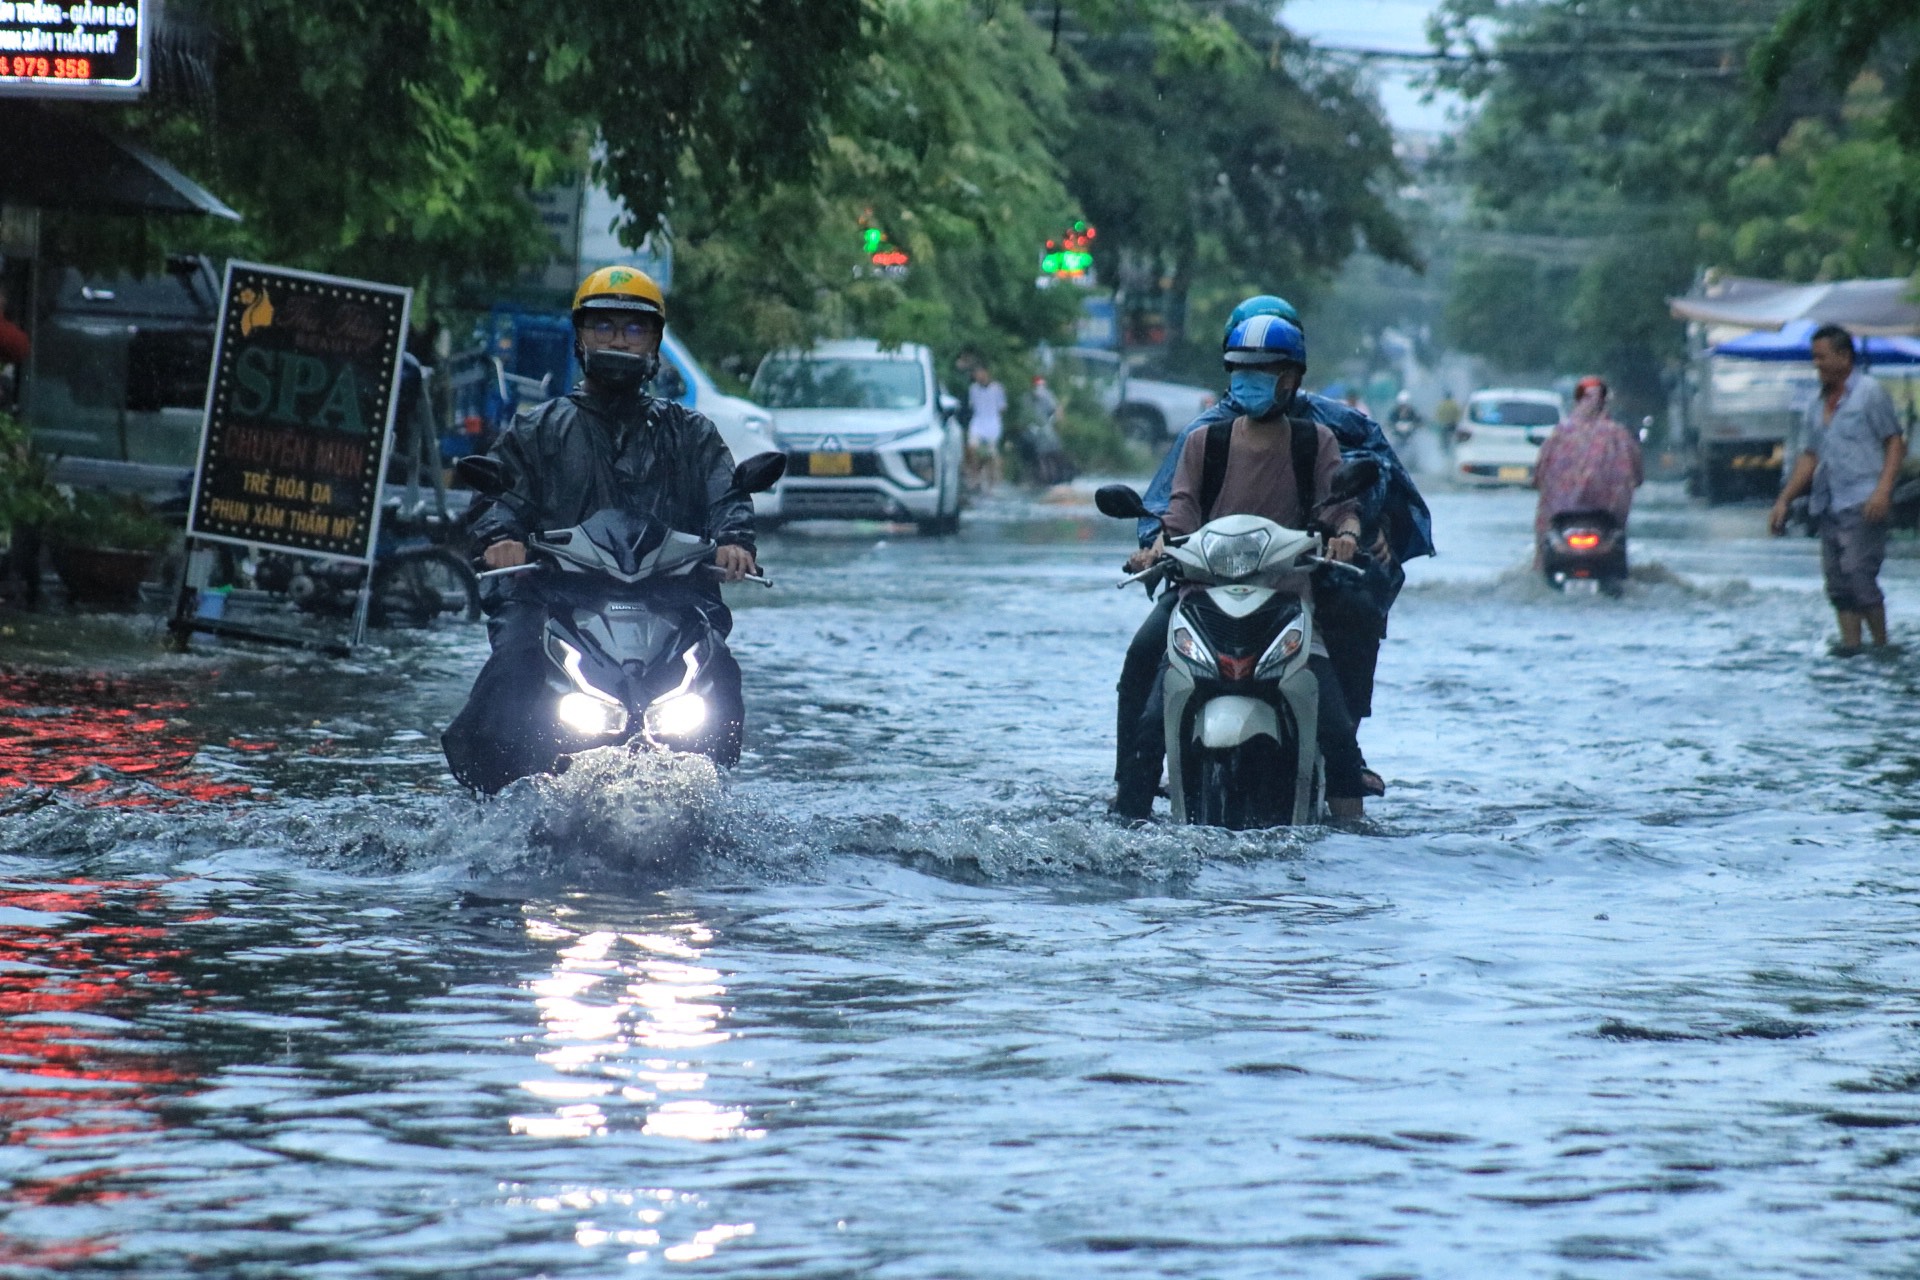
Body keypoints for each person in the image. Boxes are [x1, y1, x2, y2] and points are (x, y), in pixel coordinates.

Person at [441, 266, 758, 792]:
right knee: (514, 665)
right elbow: (498, 496)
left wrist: (735, 543)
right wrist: (502, 538)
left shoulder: (692, 432)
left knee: (719, 667)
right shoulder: (538, 428)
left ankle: (713, 789)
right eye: (604, 327)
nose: (618, 339)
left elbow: (727, 493)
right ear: (581, 337)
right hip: (554, 597)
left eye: (633, 329)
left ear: (655, 341)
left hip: (671, 597)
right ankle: (492, 797)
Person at [1116, 295, 1434, 812]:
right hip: (1204, 596)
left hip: (1289, 595)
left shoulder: (1321, 436)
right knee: (1149, 705)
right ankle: (1125, 807)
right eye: (1242, 370)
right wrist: (1153, 551)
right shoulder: (1203, 439)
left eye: (1265, 371)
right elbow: (1174, 513)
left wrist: (1351, 533)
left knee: (1336, 720)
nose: (1251, 380)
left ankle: (1351, 818)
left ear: (1291, 375)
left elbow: (1344, 502)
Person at [1769, 324, 1907, 652]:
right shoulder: (1816, 405)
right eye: (1813, 357)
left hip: (1863, 501)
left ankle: (1882, 648)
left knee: (1860, 576)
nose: (1816, 363)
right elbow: (1810, 456)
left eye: (1821, 357)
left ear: (1844, 357)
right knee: (1838, 585)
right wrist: (1784, 500)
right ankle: (1852, 648)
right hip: (1828, 503)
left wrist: (1883, 490)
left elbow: (1894, 442)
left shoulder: (1869, 392)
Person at [1532, 375, 1643, 567]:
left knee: (1544, 542)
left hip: (1562, 514)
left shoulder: (1560, 433)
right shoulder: (1618, 434)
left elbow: (1540, 472)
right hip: (1605, 515)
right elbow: (1637, 472)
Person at [966, 363, 1006, 491]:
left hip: (992, 423)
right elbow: (972, 406)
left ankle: (993, 483)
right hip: (978, 422)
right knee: (972, 448)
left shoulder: (997, 388)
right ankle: (975, 476)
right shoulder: (973, 389)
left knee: (990, 454)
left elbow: (1002, 407)